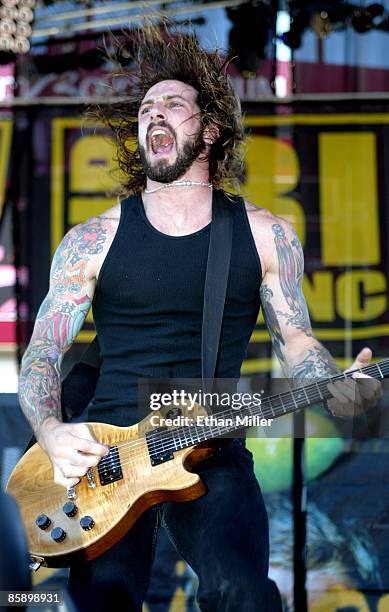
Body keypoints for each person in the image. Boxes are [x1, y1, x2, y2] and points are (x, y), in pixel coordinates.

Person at [18, 23, 380, 612]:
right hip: (107, 452)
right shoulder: (93, 239)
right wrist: (52, 431)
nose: (154, 115)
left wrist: (338, 390)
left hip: (210, 437)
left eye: (172, 105)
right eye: (145, 108)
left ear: (209, 132)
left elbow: (297, 340)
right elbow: (40, 353)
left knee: (243, 592)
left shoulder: (264, 234)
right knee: (101, 601)